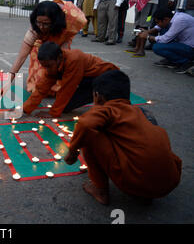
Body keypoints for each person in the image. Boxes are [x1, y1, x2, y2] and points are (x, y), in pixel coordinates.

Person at [65, 70, 182, 205]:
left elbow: (85, 124)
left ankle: (100, 189)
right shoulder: (142, 113)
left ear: (97, 96)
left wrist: (73, 151)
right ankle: (147, 186)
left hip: (134, 183)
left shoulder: (108, 110)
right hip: (170, 181)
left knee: (91, 135)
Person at [4, 0, 86, 95]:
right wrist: (9, 80)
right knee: (40, 75)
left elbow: (64, 53)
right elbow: (22, 56)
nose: (41, 27)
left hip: (61, 37)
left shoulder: (68, 23)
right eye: (39, 22)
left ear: (54, 22)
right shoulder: (34, 31)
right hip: (42, 41)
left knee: (61, 62)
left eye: (46, 24)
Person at [22, 42, 119, 117]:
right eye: (44, 66)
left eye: (49, 66)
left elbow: (67, 89)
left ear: (59, 58)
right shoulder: (51, 66)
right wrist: (24, 109)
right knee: (65, 106)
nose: (47, 69)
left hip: (108, 78)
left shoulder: (73, 59)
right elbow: (41, 88)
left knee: (63, 105)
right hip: (86, 79)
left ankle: (109, 96)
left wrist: (53, 113)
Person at [138, 8, 194, 74]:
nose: (157, 24)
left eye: (158, 22)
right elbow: (159, 26)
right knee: (163, 29)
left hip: (191, 48)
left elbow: (165, 39)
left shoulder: (180, 20)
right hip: (184, 43)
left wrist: (147, 36)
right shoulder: (173, 17)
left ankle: (187, 63)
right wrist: (147, 31)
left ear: (165, 19)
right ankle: (173, 60)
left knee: (157, 47)